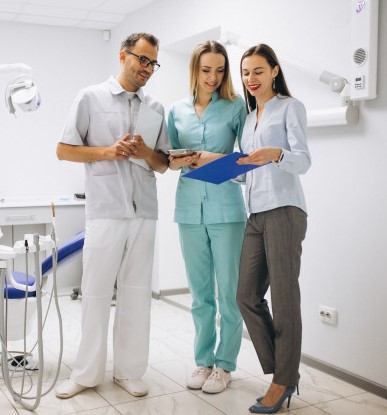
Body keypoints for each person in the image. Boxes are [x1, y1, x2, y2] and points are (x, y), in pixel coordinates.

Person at [55, 32, 170, 399]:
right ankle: (86, 373)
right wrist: (109, 151)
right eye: (142, 60)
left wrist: (146, 151)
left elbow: (163, 164)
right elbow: (64, 150)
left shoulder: (156, 107)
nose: (147, 69)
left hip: (144, 210)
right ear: (124, 56)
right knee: (95, 292)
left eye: (153, 63)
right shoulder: (90, 97)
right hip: (105, 209)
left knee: (137, 294)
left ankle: (129, 371)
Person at [167, 40, 247, 394]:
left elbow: (246, 159)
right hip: (188, 209)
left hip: (226, 209)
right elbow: (168, 158)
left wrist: (207, 157)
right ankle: (204, 361)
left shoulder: (236, 107)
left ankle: (225, 365)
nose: (213, 77)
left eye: (219, 70)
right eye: (206, 70)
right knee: (200, 294)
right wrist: (177, 159)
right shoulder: (177, 110)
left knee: (229, 293)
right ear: (194, 70)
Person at [235, 44, 311, 414]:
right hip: (255, 213)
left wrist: (277, 154)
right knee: (246, 296)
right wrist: (222, 170)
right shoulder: (248, 119)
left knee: (284, 300)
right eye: (246, 72)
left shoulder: (289, 107)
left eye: (258, 71)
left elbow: (303, 162)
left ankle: (282, 379)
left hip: (284, 211)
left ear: (275, 71)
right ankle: (285, 370)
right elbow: (250, 169)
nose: (251, 78)